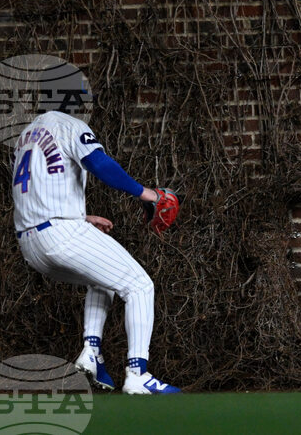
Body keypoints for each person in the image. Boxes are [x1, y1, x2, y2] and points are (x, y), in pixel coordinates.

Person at [11, 110, 180, 394]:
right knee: (139, 285)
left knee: (104, 279)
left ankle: (91, 355)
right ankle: (138, 375)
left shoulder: (26, 137)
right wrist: (147, 194)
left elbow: (33, 191)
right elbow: (99, 164)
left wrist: (83, 218)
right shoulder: (69, 125)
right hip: (61, 233)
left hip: (30, 241)